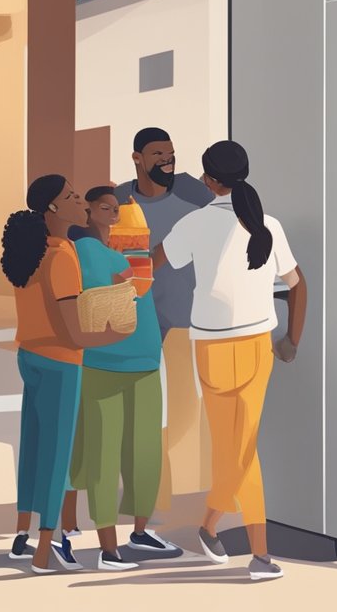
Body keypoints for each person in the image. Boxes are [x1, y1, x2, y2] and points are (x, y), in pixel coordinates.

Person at [153, 140, 307, 581]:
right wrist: (291, 339)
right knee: (242, 450)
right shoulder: (269, 225)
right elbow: (298, 285)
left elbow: (154, 263)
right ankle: (245, 548)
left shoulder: (194, 222)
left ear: (209, 180)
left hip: (212, 347)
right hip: (259, 344)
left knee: (236, 448)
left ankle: (219, 532)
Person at [0, 175, 129, 574]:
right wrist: (117, 331)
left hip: (30, 355)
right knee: (56, 453)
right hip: (60, 360)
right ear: (52, 209)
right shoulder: (63, 255)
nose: (82, 203)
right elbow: (74, 332)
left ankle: (23, 534)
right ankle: (48, 545)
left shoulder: (32, 251)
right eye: (72, 197)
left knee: (34, 445)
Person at [63, 186, 177, 572]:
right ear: (89, 211)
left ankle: (138, 534)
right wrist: (133, 263)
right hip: (103, 358)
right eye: (103, 207)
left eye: (116, 208)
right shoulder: (85, 252)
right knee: (103, 452)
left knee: (139, 449)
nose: (111, 213)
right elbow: (131, 282)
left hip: (143, 355)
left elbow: (137, 285)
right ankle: (108, 547)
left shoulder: (126, 251)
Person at [112, 128, 214, 505]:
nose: (167, 160)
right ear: (137, 157)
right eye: (157, 154)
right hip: (135, 323)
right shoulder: (120, 199)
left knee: (184, 410)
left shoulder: (195, 194)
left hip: (184, 319)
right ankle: (148, 491)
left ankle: (172, 488)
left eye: (170, 153)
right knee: (140, 412)